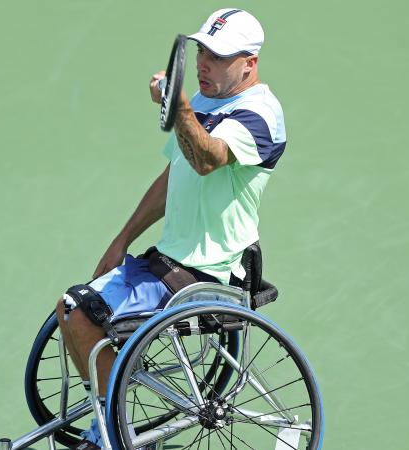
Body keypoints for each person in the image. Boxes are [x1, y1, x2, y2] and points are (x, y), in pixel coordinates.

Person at [54, 8, 287, 450]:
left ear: (248, 63)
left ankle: (115, 434)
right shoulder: (202, 102)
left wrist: (177, 104)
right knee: (72, 311)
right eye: (201, 51)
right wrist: (121, 240)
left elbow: (205, 159)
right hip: (168, 261)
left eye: (217, 56)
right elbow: (174, 176)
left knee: (80, 313)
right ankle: (116, 416)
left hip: (207, 274)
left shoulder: (260, 115)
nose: (203, 63)